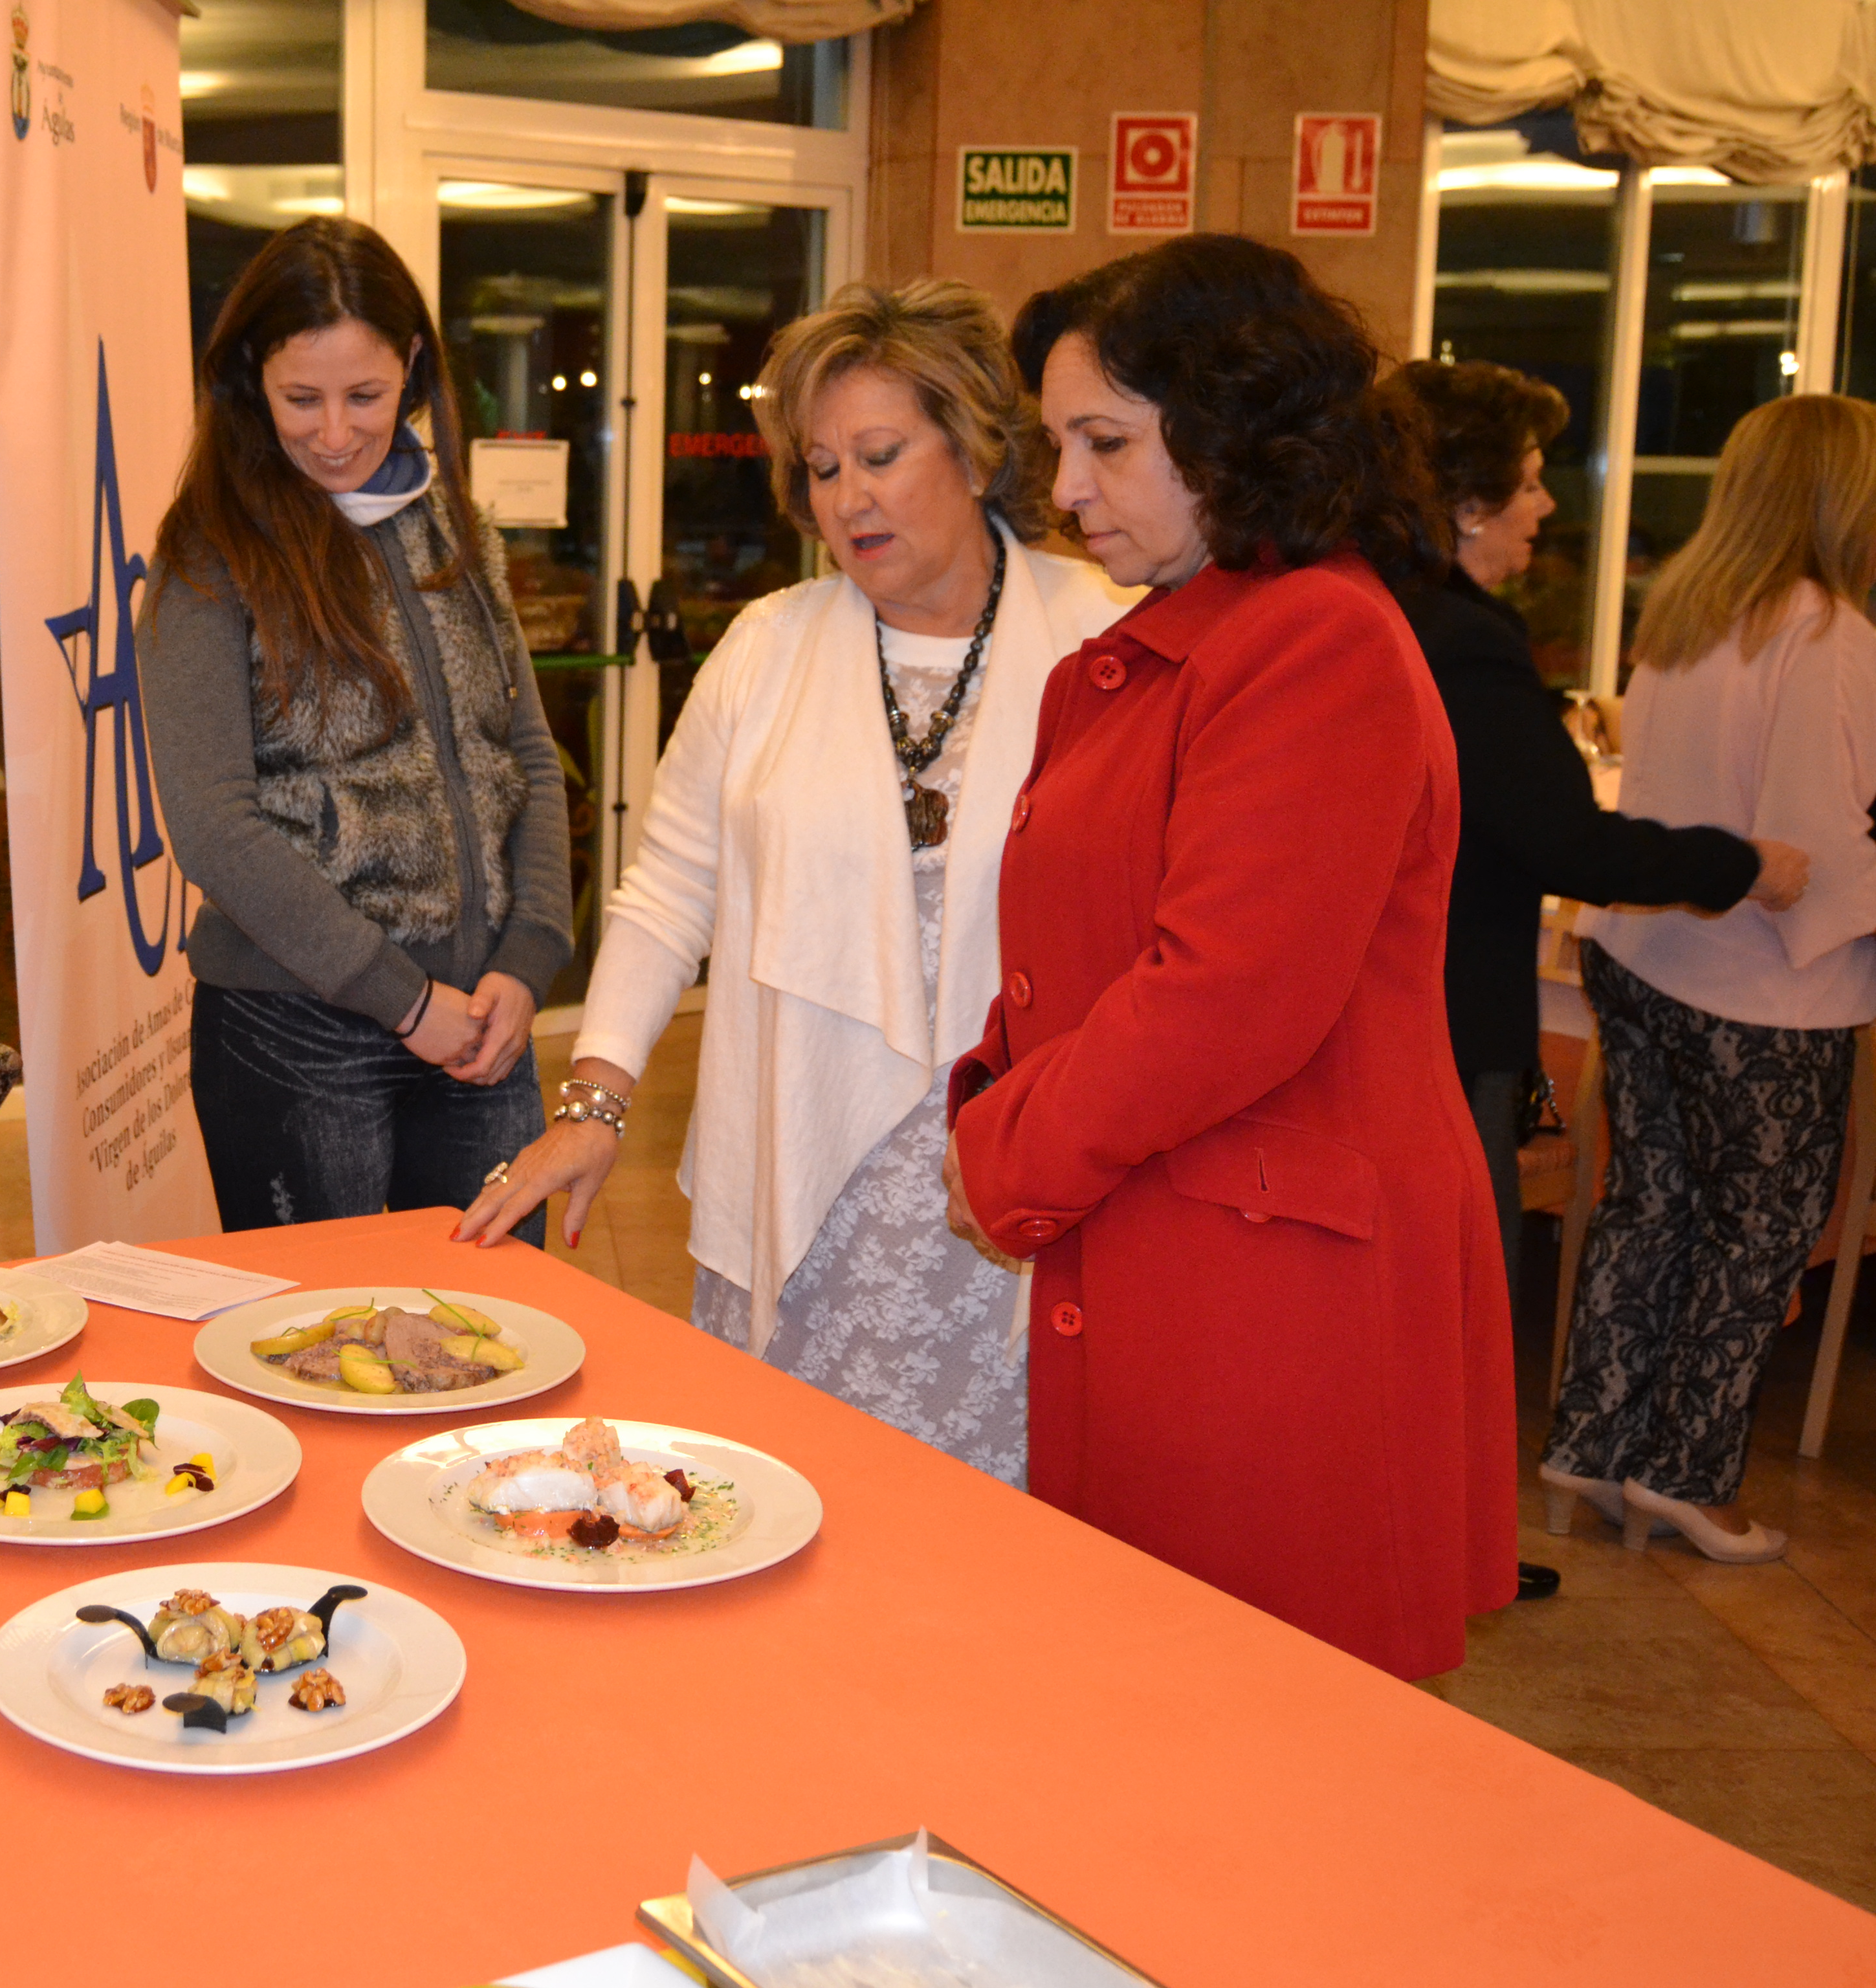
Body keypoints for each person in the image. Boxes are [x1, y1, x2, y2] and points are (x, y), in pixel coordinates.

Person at [942, 234, 1516, 1680]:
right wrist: (996, 1090)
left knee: (1257, 1715)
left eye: (1107, 443)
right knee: (1160, 1698)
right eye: (1058, 445)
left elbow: (1224, 997)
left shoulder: (1316, 640)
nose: (1067, 490)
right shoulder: (1189, 636)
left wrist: (1006, 1149)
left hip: (1276, 1283)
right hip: (1184, 1228)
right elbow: (1091, 946)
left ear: (1235, 428)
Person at [453, 280, 1127, 1484]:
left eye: (880, 455)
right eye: (821, 468)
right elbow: (668, 890)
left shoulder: (1103, 637)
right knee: (792, 1503)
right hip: (802, 1174)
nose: (847, 497)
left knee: (991, 1531)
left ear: (976, 448)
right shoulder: (768, 646)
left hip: (1015, 1186)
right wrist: (594, 1105)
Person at [1380, 362, 1809, 1602]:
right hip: (1445, 1013)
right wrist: (1743, 864)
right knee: (1454, 1295)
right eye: (1526, 483)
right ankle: (1440, 1549)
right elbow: (1568, 845)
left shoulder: (1379, 606)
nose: (1545, 508)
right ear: (1465, 502)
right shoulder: (1464, 640)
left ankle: (1430, 1536)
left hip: (1399, 1003)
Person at [142, 217, 571, 1242]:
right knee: (317, 1330)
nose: (335, 433)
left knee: (496, 1321)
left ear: (413, 365)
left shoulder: (453, 525)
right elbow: (215, 828)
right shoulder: (210, 553)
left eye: (366, 396)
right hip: (294, 1032)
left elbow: (524, 752)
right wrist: (404, 1001)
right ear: (252, 379)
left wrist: (529, 957)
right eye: (302, 399)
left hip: (480, 1019)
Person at [1541, 394, 1876, 1565]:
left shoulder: (1688, 608)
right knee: (1760, 1228)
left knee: (1650, 1206)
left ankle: (1591, 1445)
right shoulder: (1829, 630)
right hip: (1761, 984)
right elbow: (1814, 837)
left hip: (1642, 956)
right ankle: (1687, 1477)